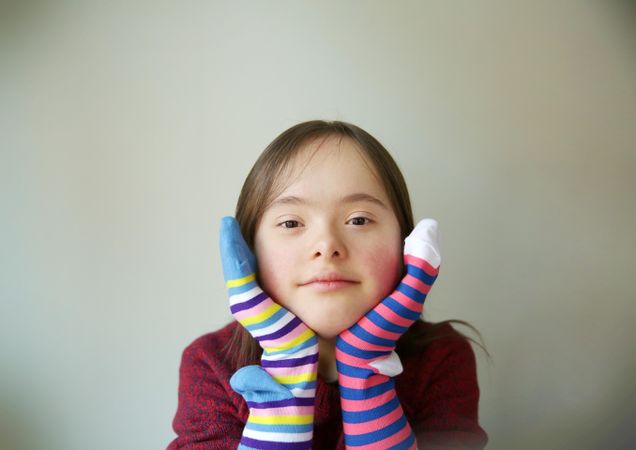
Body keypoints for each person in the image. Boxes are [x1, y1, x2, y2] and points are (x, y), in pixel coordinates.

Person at [168, 120, 489, 449]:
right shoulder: (210, 363)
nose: (327, 244)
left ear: (407, 246)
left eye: (359, 220)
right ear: (249, 253)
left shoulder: (441, 358)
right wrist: (286, 362)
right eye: (291, 222)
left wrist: (367, 369)